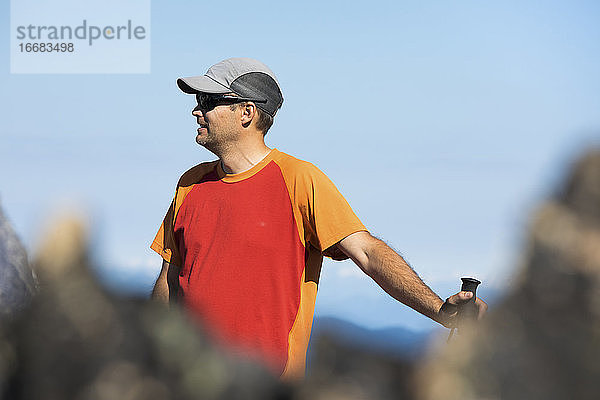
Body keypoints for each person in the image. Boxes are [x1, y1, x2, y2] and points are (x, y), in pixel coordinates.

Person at [150, 57, 487, 381]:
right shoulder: (189, 184)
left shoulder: (299, 180)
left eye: (208, 101)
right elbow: (170, 277)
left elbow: (367, 252)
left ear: (247, 112)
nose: (197, 110)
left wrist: (440, 311)